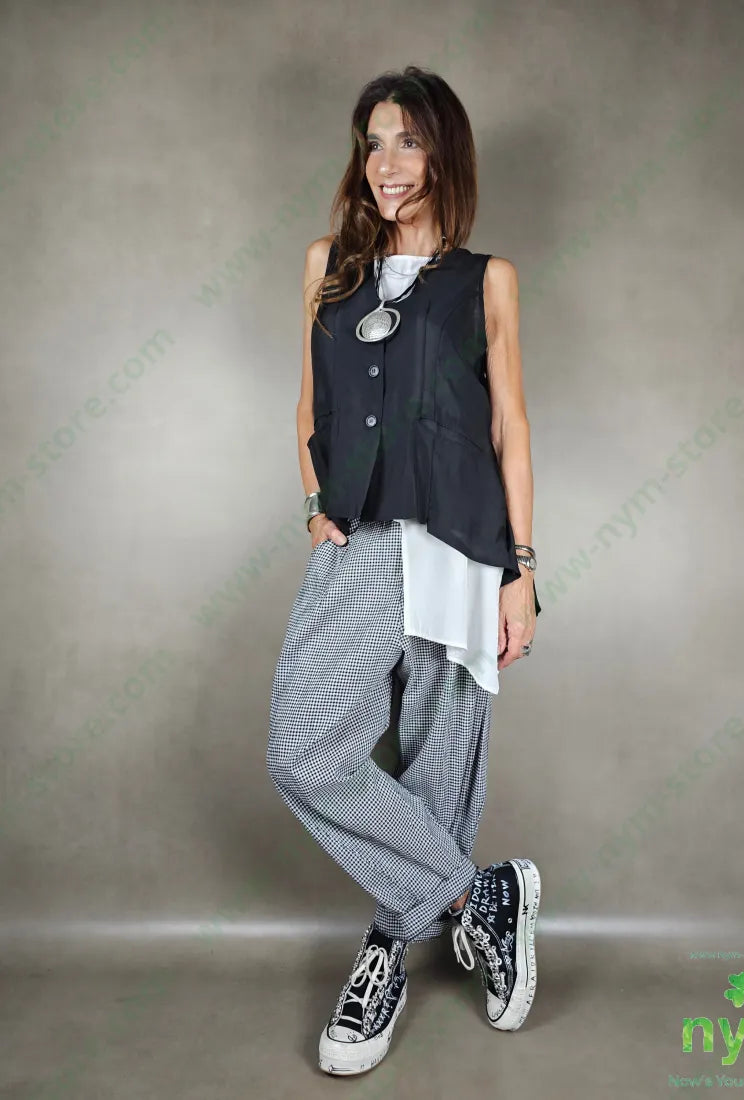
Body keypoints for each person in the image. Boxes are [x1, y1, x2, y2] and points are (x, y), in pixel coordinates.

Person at [266, 65, 543, 1077]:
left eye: (409, 141)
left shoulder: (486, 279)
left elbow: (509, 425)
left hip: (463, 543)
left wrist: (520, 570)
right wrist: (315, 503)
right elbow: (310, 405)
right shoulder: (325, 268)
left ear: (444, 154)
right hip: (363, 540)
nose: (386, 164)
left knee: (436, 765)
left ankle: (389, 947)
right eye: (373, 142)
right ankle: (477, 896)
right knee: (304, 747)